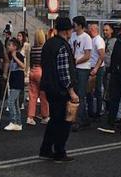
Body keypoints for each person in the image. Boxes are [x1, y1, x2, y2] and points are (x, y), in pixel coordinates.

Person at [39, 16, 78, 162]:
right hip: (61, 90)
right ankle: (59, 151)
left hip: (49, 87)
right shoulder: (62, 46)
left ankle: (46, 149)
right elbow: (64, 72)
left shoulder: (48, 44)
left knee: (54, 120)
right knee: (64, 122)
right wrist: (71, 91)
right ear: (67, 31)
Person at [70, 16, 93, 130]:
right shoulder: (73, 36)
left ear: (80, 25)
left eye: (74, 24)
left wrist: (76, 61)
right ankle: (84, 118)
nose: (73, 25)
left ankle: (78, 120)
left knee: (81, 94)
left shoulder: (86, 38)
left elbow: (87, 55)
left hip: (83, 68)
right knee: (74, 93)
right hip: (75, 67)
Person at [27, 29, 50, 125]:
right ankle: (45, 116)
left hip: (33, 70)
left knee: (32, 96)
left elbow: (31, 61)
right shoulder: (44, 48)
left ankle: (30, 117)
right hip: (41, 71)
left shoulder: (33, 48)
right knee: (43, 95)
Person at [4, 38, 25, 131]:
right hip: (12, 79)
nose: (8, 46)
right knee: (15, 103)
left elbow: (23, 66)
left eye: (10, 45)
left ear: (15, 47)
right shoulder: (9, 55)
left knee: (11, 101)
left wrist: (15, 57)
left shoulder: (19, 55)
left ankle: (13, 121)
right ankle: (18, 123)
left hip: (18, 80)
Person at [87, 21, 106, 120]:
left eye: (90, 29)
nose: (88, 30)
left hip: (97, 68)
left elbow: (102, 55)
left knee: (97, 90)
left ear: (93, 30)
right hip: (92, 67)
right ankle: (91, 111)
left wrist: (96, 68)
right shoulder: (92, 39)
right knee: (89, 90)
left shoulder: (98, 40)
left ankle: (98, 111)